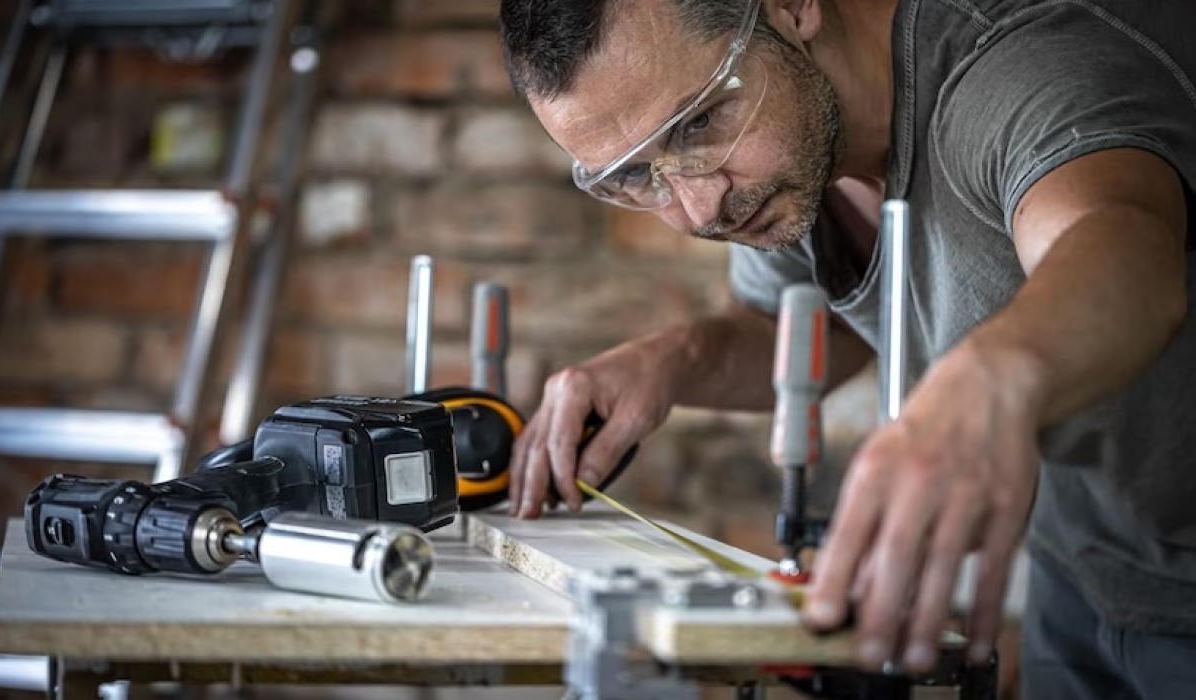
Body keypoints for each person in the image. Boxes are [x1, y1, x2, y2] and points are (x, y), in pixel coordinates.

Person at [497, 0, 1196, 696]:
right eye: (635, 175)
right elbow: (815, 333)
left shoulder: (1017, 70)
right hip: (1084, 570)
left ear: (792, 9)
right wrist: (671, 361)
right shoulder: (795, 148)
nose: (698, 209)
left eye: (700, 122)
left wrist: (996, 377)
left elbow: (1127, 248)